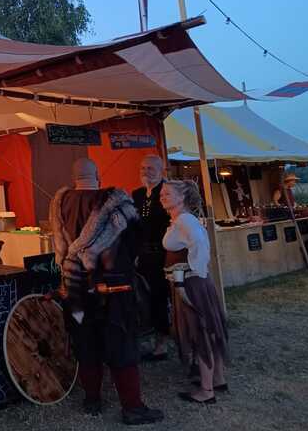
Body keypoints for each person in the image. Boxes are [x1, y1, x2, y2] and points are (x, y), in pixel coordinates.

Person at [50, 158, 164, 425]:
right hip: (114, 287)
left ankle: (92, 400)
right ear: (98, 175)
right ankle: (132, 408)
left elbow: (60, 247)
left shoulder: (60, 202)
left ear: (74, 177)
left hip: (76, 286)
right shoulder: (118, 201)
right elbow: (136, 239)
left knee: (85, 340)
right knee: (121, 343)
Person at [160, 180, 228, 404]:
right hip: (192, 281)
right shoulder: (179, 220)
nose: (162, 196)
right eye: (161, 193)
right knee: (207, 328)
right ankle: (217, 379)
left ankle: (207, 391)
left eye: (168, 193)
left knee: (200, 330)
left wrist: (194, 269)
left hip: (192, 284)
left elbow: (199, 243)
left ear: (182, 197)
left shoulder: (185, 220)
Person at [132, 155, 172, 361]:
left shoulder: (168, 191)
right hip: (142, 256)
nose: (145, 171)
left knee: (159, 298)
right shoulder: (137, 194)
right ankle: (149, 336)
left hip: (163, 254)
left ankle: (162, 343)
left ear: (161, 171)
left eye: (150, 168)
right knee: (144, 298)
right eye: (142, 168)